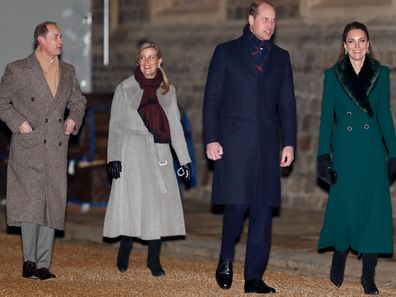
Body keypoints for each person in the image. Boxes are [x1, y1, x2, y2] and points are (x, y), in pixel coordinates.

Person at [203, 1, 296, 294]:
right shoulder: (226, 52)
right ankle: (226, 258)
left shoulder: (282, 58)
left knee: (263, 211)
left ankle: (254, 277)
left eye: (274, 20)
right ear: (251, 19)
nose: (270, 25)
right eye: (265, 19)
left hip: (268, 147)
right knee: (236, 204)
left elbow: (288, 106)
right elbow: (212, 99)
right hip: (233, 145)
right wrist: (211, 138)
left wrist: (290, 143)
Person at [0, 21, 87, 280]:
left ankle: (43, 263)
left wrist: (73, 120)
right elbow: (1, 101)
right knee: (30, 202)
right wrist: (19, 123)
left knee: (52, 201)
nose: (60, 41)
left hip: (56, 146)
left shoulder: (68, 71)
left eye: (60, 36)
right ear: (40, 40)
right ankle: (29, 260)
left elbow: (78, 102)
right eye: (54, 36)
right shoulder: (18, 70)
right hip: (29, 144)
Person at [317, 21, 396, 295]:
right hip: (346, 150)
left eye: (362, 40)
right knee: (346, 208)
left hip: (372, 150)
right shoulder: (333, 75)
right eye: (352, 41)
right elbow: (327, 117)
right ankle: (340, 253)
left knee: (374, 212)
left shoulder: (381, 73)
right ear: (344, 46)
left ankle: (368, 275)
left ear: (368, 44)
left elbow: (384, 115)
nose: (357, 46)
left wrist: (394, 151)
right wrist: (322, 155)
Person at [103, 41, 191, 277]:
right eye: (143, 58)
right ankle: (125, 246)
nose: (147, 62)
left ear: (159, 60)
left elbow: (175, 127)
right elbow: (116, 125)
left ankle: (154, 259)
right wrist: (113, 158)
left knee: (156, 206)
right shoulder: (125, 88)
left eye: (151, 57)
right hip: (131, 150)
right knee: (132, 202)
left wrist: (184, 161)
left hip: (159, 151)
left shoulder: (167, 91)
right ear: (138, 61)